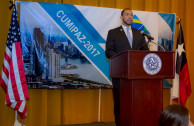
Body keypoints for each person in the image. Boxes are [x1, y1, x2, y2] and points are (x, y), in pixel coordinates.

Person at [105, 8, 149, 126]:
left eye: (131, 15)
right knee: (120, 102)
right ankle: (120, 123)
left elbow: (145, 50)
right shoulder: (113, 32)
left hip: (136, 74)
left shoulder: (139, 33)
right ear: (121, 17)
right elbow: (109, 52)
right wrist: (124, 60)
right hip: (120, 74)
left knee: (135, 102)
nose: (130, 17)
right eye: (127, 14)